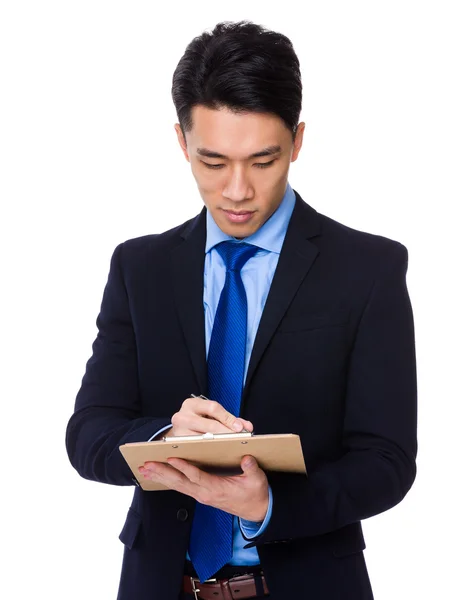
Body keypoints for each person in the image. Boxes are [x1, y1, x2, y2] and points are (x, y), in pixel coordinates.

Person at [66, 20, 417, 600]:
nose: (236, 191)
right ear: (181, 142)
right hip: (160, 585)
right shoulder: (140, 268)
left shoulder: (368, 268)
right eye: (212, 161)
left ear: (297, 141)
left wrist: (270, 504)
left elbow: (387, 460)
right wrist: (164, 435)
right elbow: (88, 434)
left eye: (262, 161)